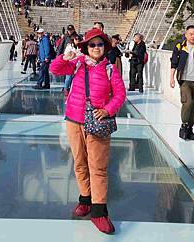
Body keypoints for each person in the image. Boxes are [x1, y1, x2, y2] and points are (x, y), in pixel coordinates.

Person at [50, 28, 126, 234]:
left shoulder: (110, 68)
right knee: (80, 163)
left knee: (98, 167)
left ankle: (99, 211)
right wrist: (64, 57)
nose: (96, 48)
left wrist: (108, 110)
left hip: (97, 123)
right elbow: (55, 70)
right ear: (86, 47)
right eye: (92, 45)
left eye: (100, 44)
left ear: (105, 47)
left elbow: (120, 94)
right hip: (74, 120)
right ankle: (85, 199)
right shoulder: (77, 63)